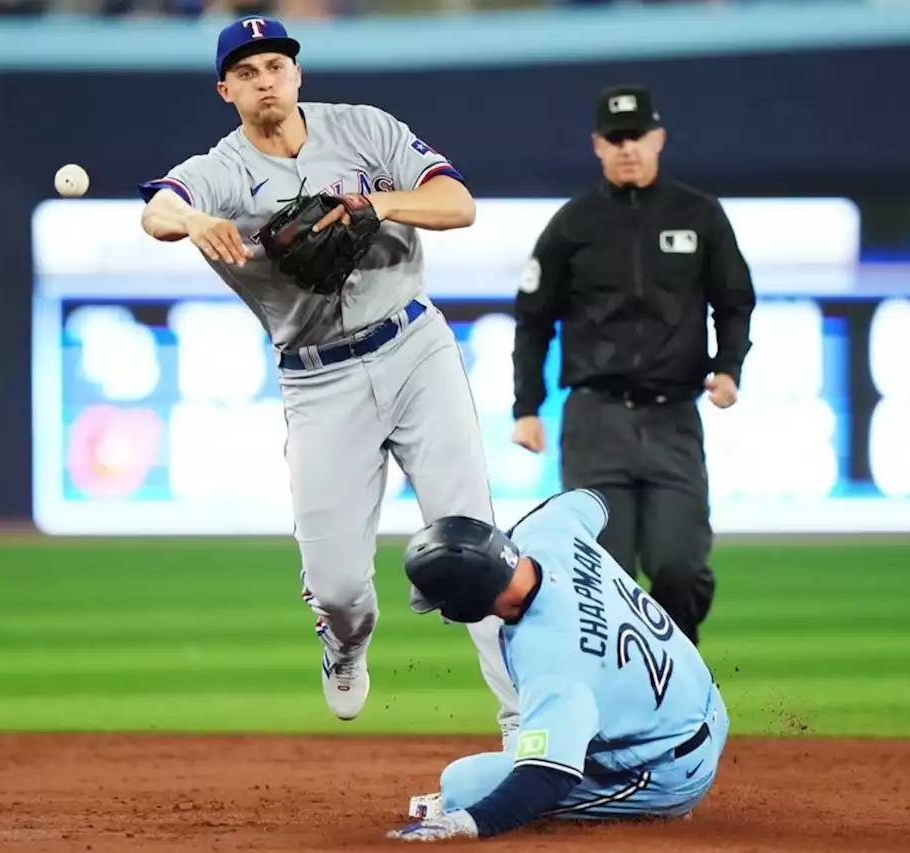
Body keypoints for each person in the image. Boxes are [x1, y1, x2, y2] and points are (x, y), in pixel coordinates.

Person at [136, 16, 518, 739]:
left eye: (276, 65)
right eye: (246, 73)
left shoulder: (365, 131)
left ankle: (525, 722)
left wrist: (379, 204)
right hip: (318, 381)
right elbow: (158, 207)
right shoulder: (221, 169)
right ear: (226, 90)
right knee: (340, 586)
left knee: (474, 541)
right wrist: (188, 221)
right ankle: (344, 643)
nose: (265, 80)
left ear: (297, 74)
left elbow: (457, 204)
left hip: (414, 349)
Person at [510, 83, 756, 646]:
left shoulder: (699, 215)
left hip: (673, 419)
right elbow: (533, 319)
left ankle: (681, 693)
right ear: (598, 145)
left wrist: (729, 367)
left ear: (659, 138)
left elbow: (734, 301)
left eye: (637, 136)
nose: (627, 148)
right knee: (604, 578)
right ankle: (622, 714)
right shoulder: (573, 224)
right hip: (596, 422)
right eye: (615, 138)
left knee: (680, 568)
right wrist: (527, 407)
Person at [387, 489, 729, 842]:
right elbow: (591, 499)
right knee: (541, 732)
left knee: (466, 786)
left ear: (467, 603)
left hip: (670, 770)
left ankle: (659, 805)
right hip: (704, 708)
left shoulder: (550, 659)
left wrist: (466, 822)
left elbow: (548, 776)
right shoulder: (548, 530)